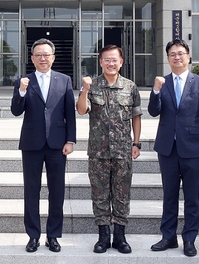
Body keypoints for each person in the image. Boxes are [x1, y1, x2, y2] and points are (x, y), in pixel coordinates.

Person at [147, 39, 199, 257]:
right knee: (169, 195)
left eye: (181, 53)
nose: (177, 57)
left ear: (188, 56)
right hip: (168, 148)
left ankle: (189, 238)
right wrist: (156, 91)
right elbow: (153, 111)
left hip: (194, 147)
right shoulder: (162, 82)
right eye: (172, 54)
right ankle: (168, 237)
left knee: (192, 196)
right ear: (167, 58)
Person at [10, 38, 76, 253]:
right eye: (38, 54)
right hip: (32, 143)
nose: (42, 58)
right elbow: (16, 111)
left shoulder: (64, 80)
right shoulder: (24, 81)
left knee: (57, 192)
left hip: (57, 143)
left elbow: (70, 113)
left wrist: (70, 140)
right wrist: (20, 91)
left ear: (53, 57)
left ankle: (53, 236)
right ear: (32, 58)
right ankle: (33, 235)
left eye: (46, 54)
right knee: (31, 191)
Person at [77, 45, 142, 254]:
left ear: (121, 62)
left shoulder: (130, 87)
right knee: (100, 194)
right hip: (98, 152)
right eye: (107, 60)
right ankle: (103, 236)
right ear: (101, 62)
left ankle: (120, 236)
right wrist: (85, 89)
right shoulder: (92, 85)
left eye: (114, 60)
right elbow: (81, 110)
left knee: (122, 194)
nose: (111, 63)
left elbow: (136, 116)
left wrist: (136, 142)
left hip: (123, 151)